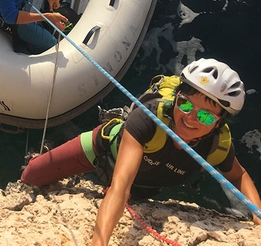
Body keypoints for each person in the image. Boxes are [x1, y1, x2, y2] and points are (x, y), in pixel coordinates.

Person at [21, 58, 261, 243]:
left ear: (218, 122)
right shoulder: (148, 119)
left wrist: (257, 216)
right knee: (31, 175)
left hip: (142, 185)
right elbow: (120, 187)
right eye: (185, 103)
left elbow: (238, 176)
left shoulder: (215, 145)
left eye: (206, 115)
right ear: (176, 97)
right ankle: (45, 158)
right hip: (102, 149)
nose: (190, 117)